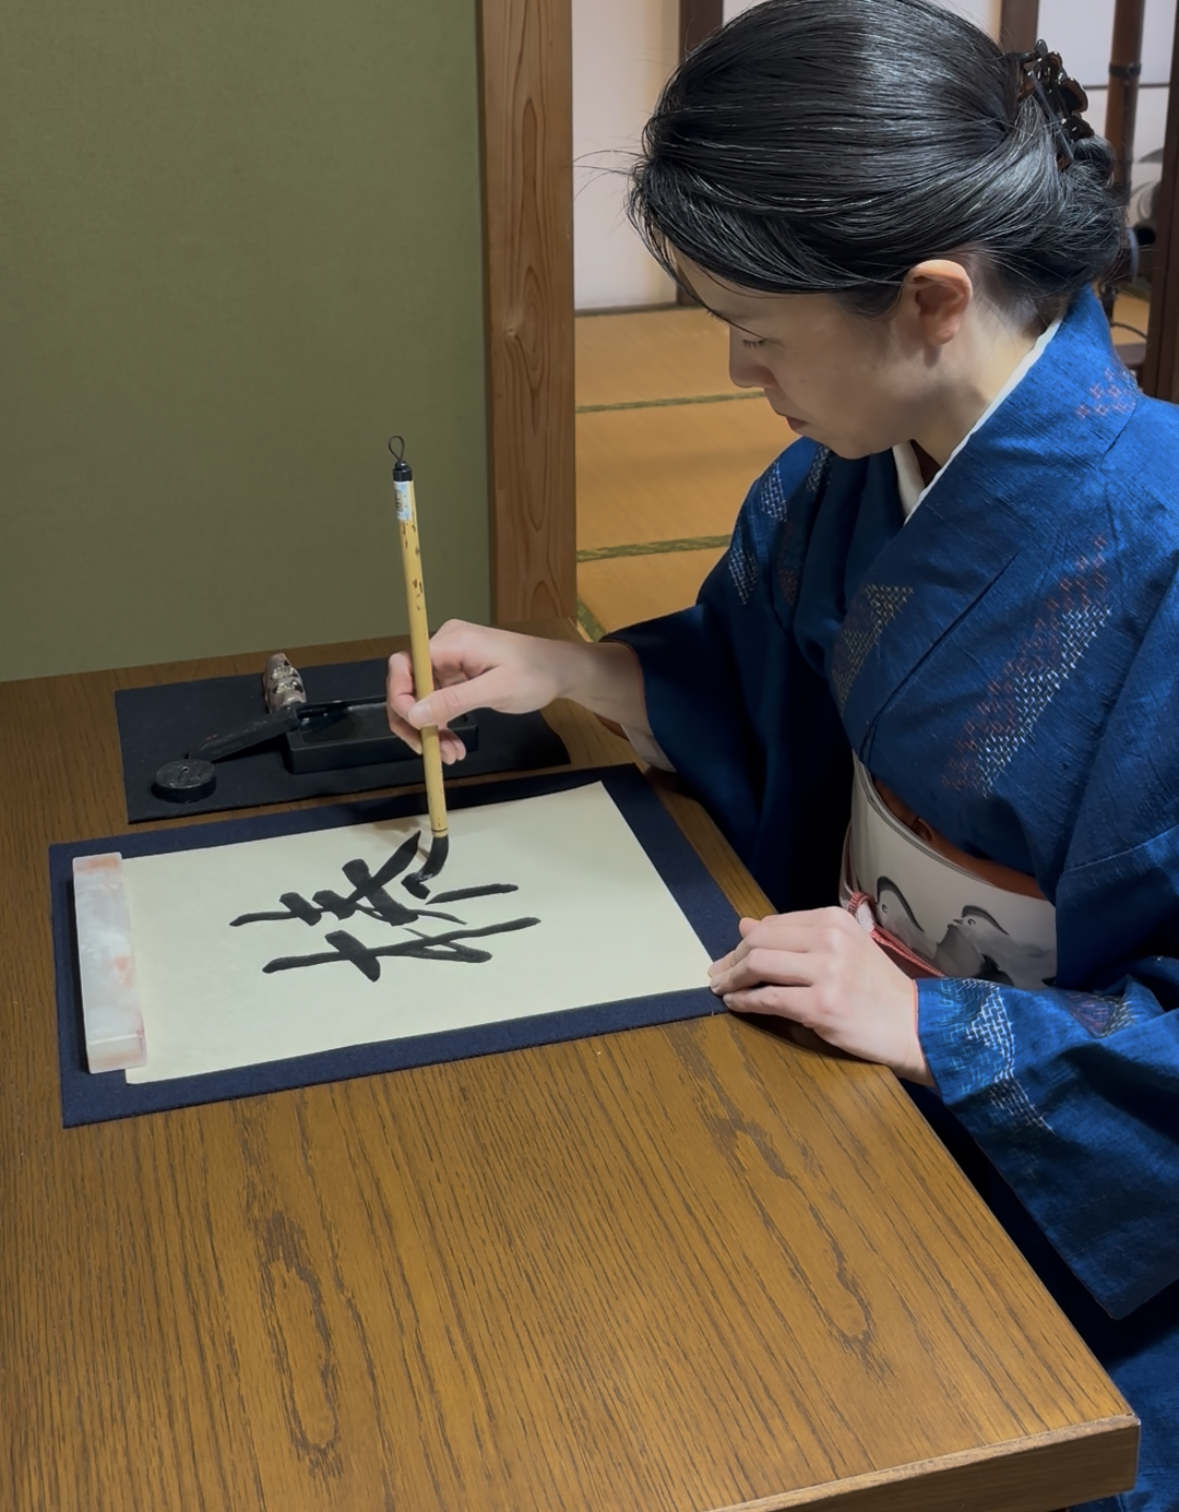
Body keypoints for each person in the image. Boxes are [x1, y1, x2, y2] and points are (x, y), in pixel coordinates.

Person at [386, 3, 1179, 1505]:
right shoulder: (842, 478)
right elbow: (764, 698)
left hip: (1064, 1176)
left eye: (757, 336)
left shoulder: (1162, 553)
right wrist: (576, 669)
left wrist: (949, 1032)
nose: (745, 374)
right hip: (858, 1046)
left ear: (930, 301)